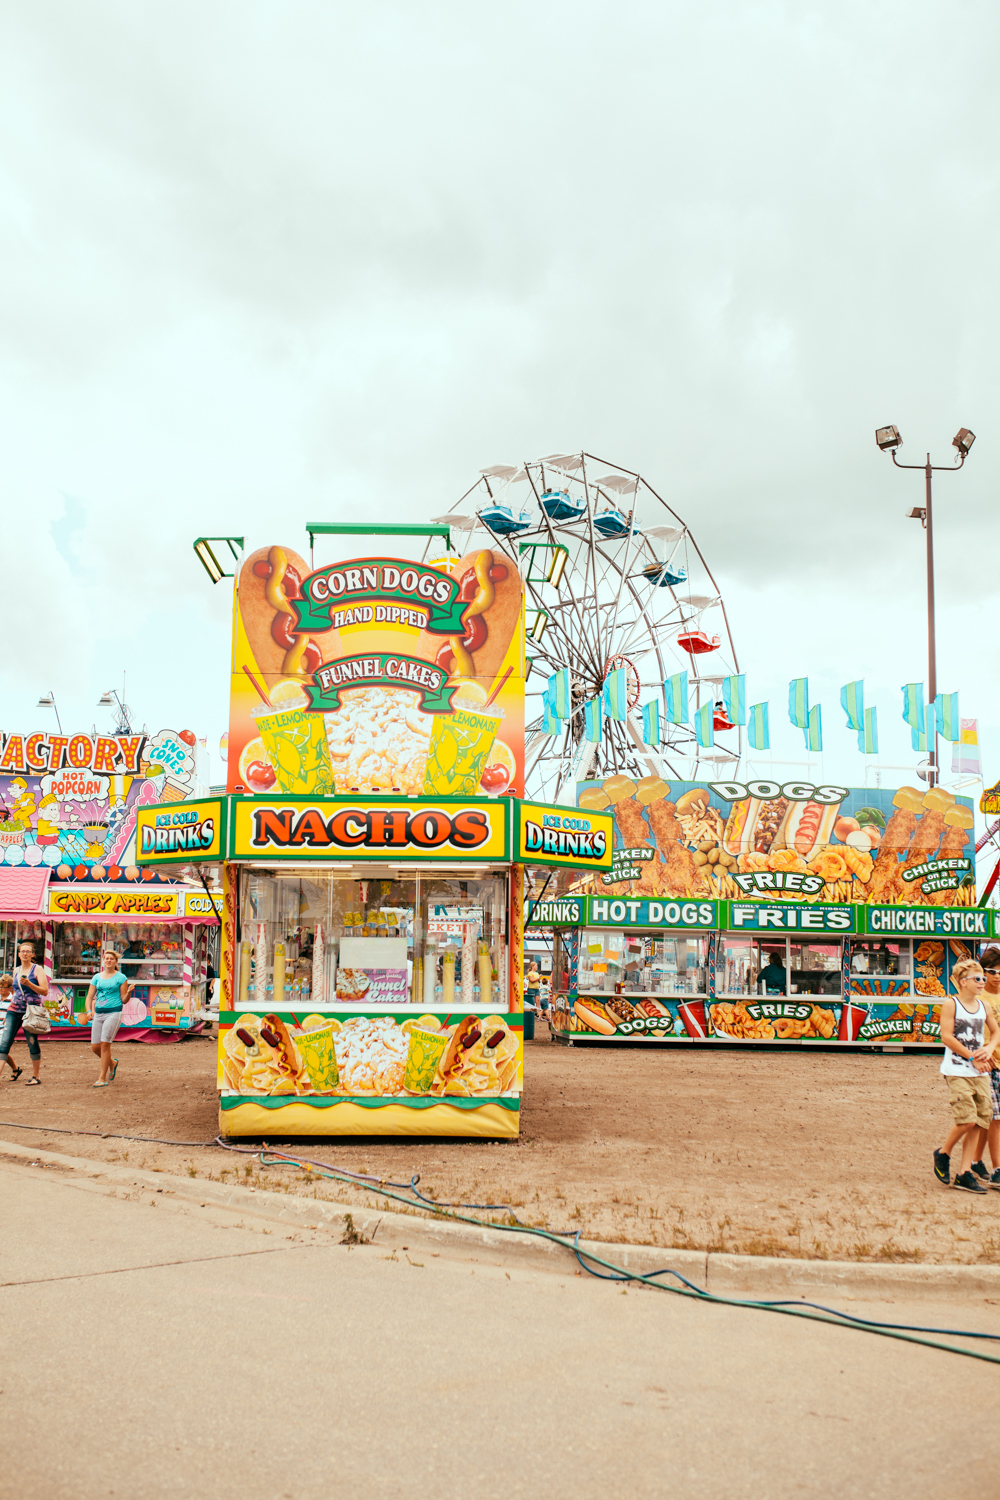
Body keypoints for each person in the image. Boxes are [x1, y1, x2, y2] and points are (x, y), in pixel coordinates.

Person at [933, 957, 999, 1192]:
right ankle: (943, 1153)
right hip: (958, 1070)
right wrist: (972, 1056)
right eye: (977, 978)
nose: (983, 982)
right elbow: (947, 1037)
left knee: (981, 1121)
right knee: (967, 1119)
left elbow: (996, 1030)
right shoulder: (951, 1004)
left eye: (983, 978)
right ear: (963, 981)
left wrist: (989, 1049)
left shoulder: (984, 1007)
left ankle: (964, 1173)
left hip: (980, 1072)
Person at [968, 946, 1000, 1187]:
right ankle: (997, 1168)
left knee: (989, 1119)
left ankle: (976, 1161)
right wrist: (980, 1056)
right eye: (992, 971)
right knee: (992, 1118)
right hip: (988, 1065)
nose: (997, 976)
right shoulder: (978, 999)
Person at [0, 941, 49, 1085]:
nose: (25, 953)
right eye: (23, 951)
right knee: (4, 1043)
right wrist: (8, 1010)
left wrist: (29, 984)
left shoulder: (37, 969)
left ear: (32, 954)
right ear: (19, 954)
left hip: (31, 1012)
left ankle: (36, 1076)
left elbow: (44, 991)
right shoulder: (16, 970)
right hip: (14, 1011)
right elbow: (15, 992)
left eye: (28, 951)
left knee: (32, 1043)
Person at [85, 949, 131, 1088]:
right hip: (98, 1014)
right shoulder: (97, 977)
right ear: (103, 961)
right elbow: (89, 996)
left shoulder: (121, 978)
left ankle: (102, 1077)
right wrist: (88, 1011)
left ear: (116, 961)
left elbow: (124, 1000)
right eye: (106, 958)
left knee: (105, 1044)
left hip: (114, 1013)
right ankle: (112, 1062)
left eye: (111, 958)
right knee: (95, 1047)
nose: (108, 960)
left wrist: (128, 992)